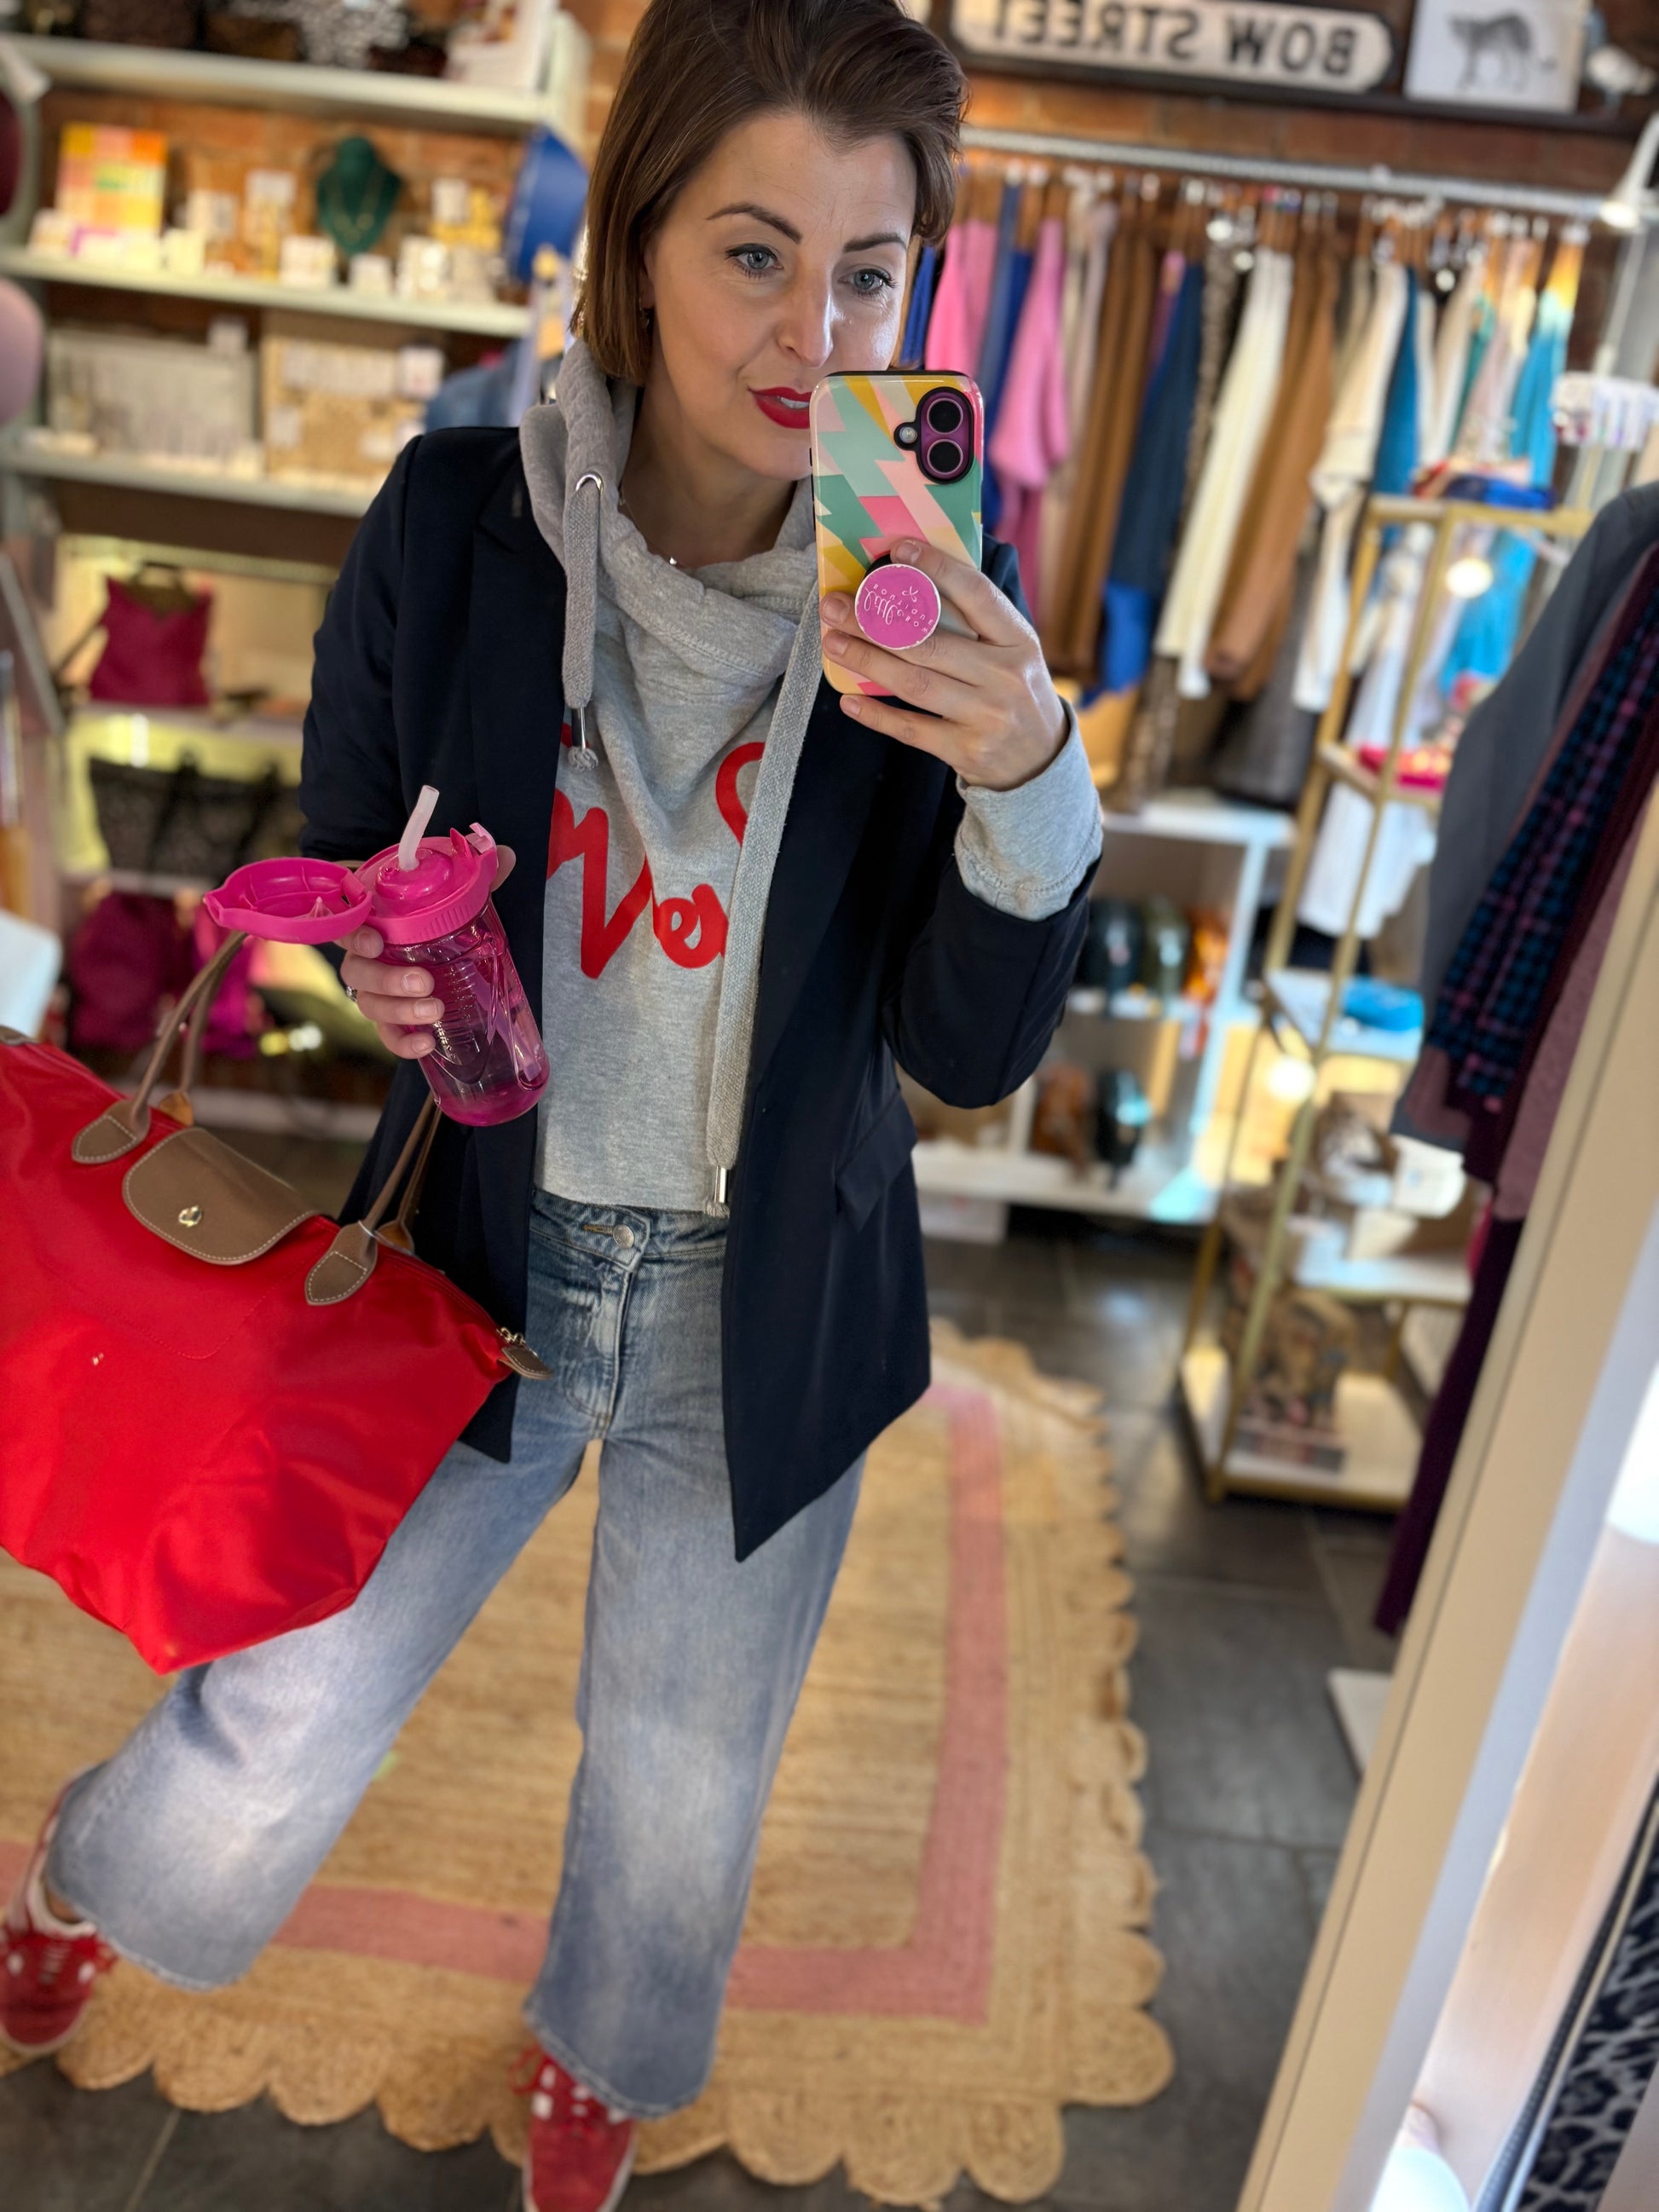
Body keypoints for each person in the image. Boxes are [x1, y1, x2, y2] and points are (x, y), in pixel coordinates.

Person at [1, 4, 1101, 2206]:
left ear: (922, 293)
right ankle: (93, 1881)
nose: (810, 326)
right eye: (752, 251)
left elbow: (963, 1054)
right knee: (302, 1670)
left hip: (766, 1283)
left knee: (686, 1767)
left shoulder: (937, 608)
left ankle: (603, 2048)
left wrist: (1026, 780)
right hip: (474, 1243)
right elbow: (335, 830)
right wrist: (375, 957)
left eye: (868, 273)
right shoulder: (451, 520)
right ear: (638, 241)